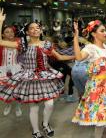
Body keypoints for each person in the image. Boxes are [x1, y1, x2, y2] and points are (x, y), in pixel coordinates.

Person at [0, 9, 75, 138]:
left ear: (40, 30)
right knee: (34, 107)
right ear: (28, 32)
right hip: (29, 77)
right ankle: (36, 130)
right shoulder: (22, 44)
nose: (36, 29)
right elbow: (1, 42)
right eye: (32, 28)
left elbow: (60, 57)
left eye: (37, 27)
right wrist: (0, 22)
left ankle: (45, 124)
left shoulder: (47, 44)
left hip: (45, 76)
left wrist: (78, 56)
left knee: (50, 104)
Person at [71, 20, 106, 138]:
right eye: (102, 31)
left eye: (105, 30)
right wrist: (75, 37)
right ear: (93, 34)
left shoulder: (105, 48)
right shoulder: (90, 48)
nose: (105, 33)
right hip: (97, 88)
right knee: (100, 117)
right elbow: (78, 57)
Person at [0, 25, 22, 117]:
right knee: (6, 89)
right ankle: (8, 105)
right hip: (3, 69)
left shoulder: (18, 42)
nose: (10, 33)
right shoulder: (1, 44)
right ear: (2, 35)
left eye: (11, 31)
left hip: (16, 68)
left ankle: (17, 106)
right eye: (7, 32)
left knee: (16, 89)